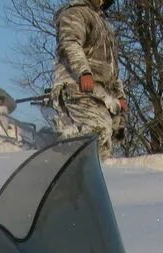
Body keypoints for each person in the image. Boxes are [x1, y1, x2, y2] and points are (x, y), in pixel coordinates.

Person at [52, 0, 126, 160]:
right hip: (79, 88)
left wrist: (119, 95)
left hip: (103, 95)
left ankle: (83, 177)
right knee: (95, 132)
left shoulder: (104, 24)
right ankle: (62, 154)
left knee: (103, 145)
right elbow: (70, 43)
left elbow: (111, 66)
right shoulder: (76, 13)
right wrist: (83, 72)